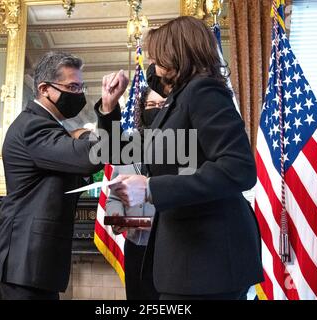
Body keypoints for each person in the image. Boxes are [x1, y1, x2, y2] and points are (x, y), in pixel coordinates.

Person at [110, 16, 263, 300]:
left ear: (175, 56)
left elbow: (238, 168)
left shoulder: (203, 91)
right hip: (187, 259)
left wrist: (151, 188)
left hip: (209, 262)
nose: (152, 66)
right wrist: (110, 108)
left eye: (157, 58)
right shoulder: (179, 99)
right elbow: (140, 154)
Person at [0, 51, 128, 300]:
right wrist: (107, 109)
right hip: (24, 261)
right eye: (72, 87)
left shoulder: (53, 128)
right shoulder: (33, 126)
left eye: (81, 86)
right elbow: (89, 158)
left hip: (36, 263)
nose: (79, 94)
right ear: (45, 89)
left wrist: (83, 136)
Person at [105, 75, 167, 300]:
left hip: (166, 247)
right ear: (141, 110)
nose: (156, 109)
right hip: (135, 246)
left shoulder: (181, 143)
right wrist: (116, 217)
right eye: (151, 105)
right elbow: (114, 197)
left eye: (162, 105)